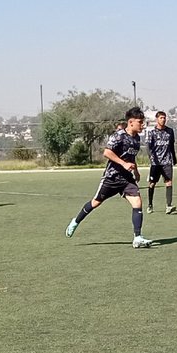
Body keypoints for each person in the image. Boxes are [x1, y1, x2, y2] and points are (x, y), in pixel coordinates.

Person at [65, 106, 151, 248]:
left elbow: (131, 157)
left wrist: (135, 171)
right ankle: (75, 221)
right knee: (96, 202)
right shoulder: (119, 136)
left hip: (126, 179)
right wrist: (123, 164)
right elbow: (107, 152)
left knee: (137, 203)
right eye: (140, 122)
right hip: (112, 177)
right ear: (131, 122)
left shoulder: (136, 139)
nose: (142, 125)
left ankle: (137, 237)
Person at [145, 110, 177, 214]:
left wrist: (174, 157)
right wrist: (151, 157)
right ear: (157, 119)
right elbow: (148, 147)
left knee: (169, 182)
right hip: (155, 163)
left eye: (164, 118)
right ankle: (150, 204)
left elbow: (171, 145)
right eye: (161, 118)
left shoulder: (170, 131)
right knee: (152, 184)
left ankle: (168, 205)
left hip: (167, 161)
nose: (163, 120)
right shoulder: (152, 132)